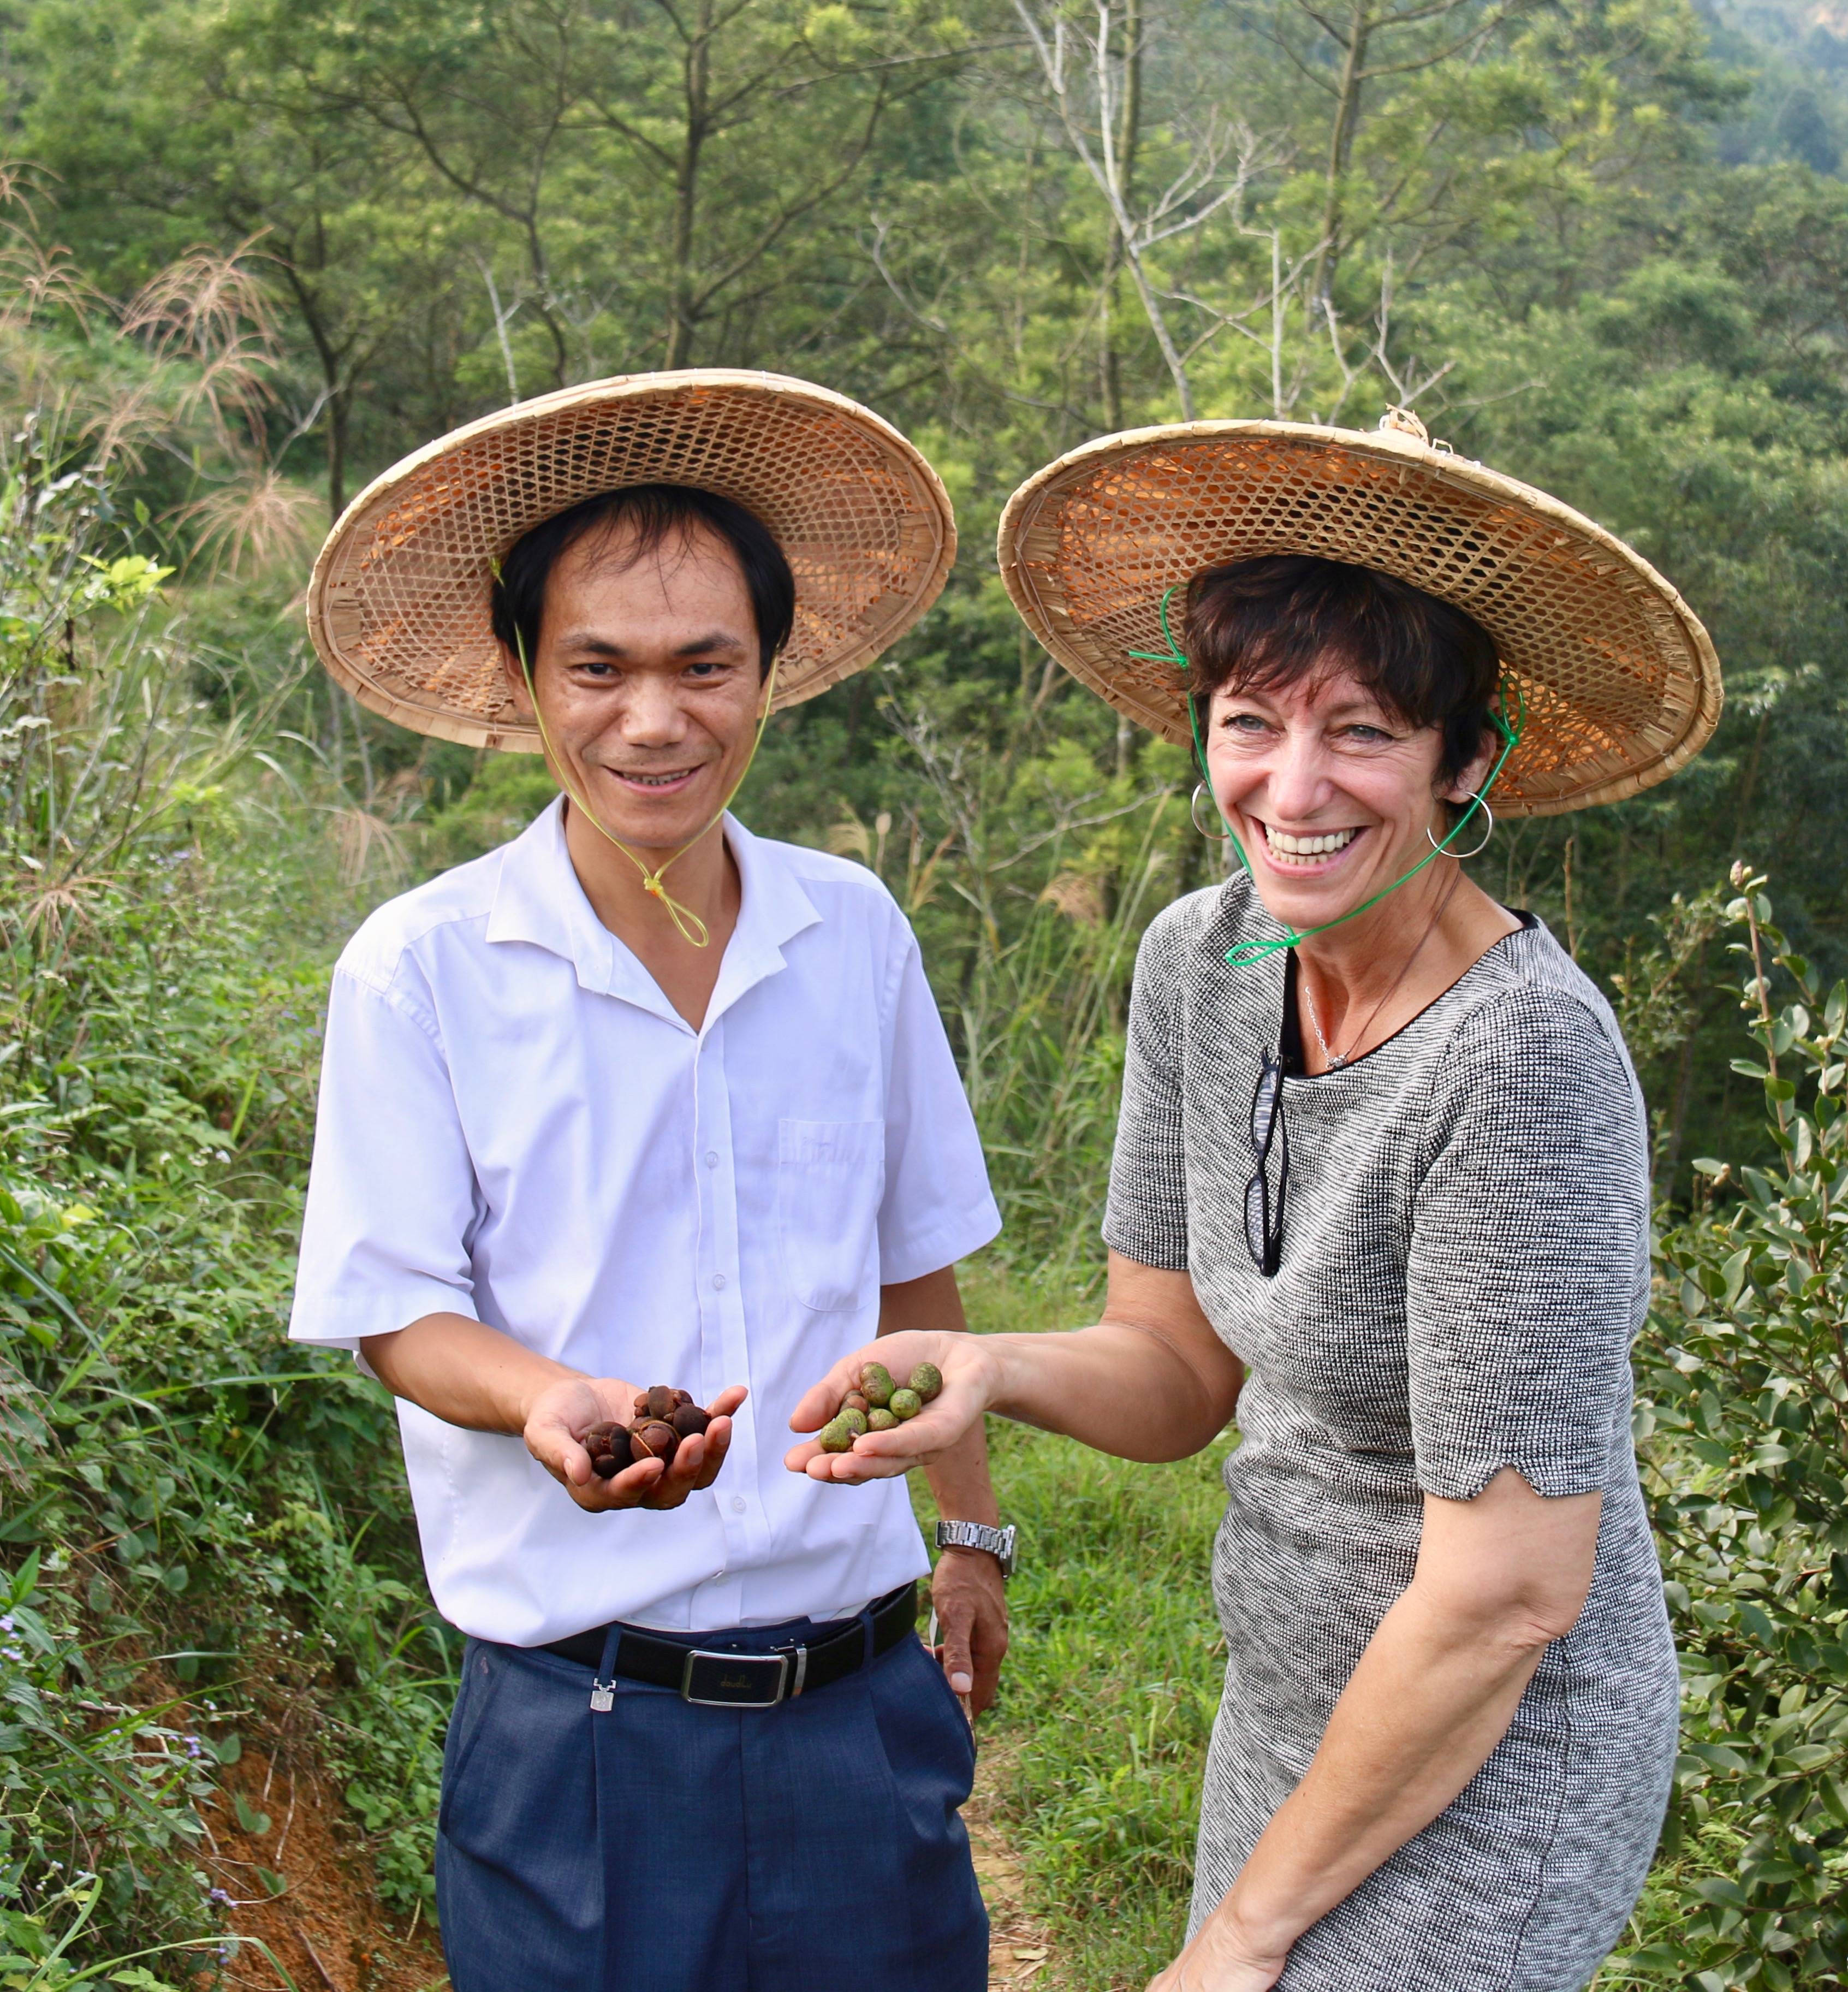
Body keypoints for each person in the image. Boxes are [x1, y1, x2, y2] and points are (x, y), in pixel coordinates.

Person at [787, 410, 1724, 1991]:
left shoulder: (1524, 1060)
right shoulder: (1203, 965)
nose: (1293, 786)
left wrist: (1240, 1935)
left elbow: (1506, 1594)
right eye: (1249, 722)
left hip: (1490, 1747)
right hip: (1293, 1705)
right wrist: (991, 1369)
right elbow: (1176, 1376)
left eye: (1360, 731)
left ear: (1466, 764)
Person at [289, 371, 1019, 1992]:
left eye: (707, 667)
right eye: (598, 668)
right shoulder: (423, 970)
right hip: (583, 1738)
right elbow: (398, 1309)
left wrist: (974, 1534)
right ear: (524, 675)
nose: (654, 720)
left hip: (860, 1713)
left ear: (771, 672)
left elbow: (915, 1271)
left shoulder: (854, 936)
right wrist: (555, 1399)